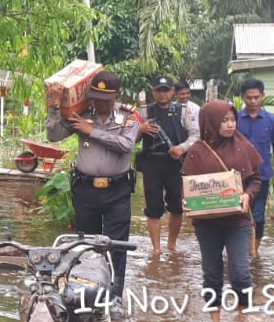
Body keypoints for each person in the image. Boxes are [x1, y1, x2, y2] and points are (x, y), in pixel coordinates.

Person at [45, 70, 140, 321]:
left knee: (115, 246)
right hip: (85, 190)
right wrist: (55, 108)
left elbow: (125, 145)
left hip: (117, 190)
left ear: (117, 95)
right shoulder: (83, 113)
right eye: (95, 96)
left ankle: (115, 297)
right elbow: (53, 135)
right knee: (86, 245)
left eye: (105, 98)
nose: (99, 102)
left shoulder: (128, 117)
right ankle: (87, 293)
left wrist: (92, 131)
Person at [182, 100, 262, 322]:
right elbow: (189, 186)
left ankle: (242, 316)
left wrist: (248, 195)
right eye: (224, 120)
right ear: (211, 122)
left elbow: (256, 179)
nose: (230, 125)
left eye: (233, 119)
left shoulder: (242, 145)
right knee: (212, 273)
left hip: (238, 221)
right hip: (207, 223)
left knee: (240, 270)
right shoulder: (197, 151)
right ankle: (214, 317)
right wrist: (186, 202)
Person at [137, 75, 199, 255]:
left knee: (177, 206)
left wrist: (182, 148)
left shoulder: (183, 111)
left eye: (166, 90)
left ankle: (172, 245)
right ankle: (156, 249)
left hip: (176, 164)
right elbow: (130, 139)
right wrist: (140, 130)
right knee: (153, 208)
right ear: (153, 92)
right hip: (152, 164)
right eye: (159, 90)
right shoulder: (144, 112)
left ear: (173, 92)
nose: (162, 94)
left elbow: (195, 136)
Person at [237, 78, 274, 254]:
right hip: (237, 176)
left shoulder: (272, 121)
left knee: (258, 215)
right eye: (249, 97)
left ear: (263, 96)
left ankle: (254, 252)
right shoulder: (235, 119)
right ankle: (236, 250)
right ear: (242, 97)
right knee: (237, 212)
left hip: (262, 176)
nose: (253, 101)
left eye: (256, 97)